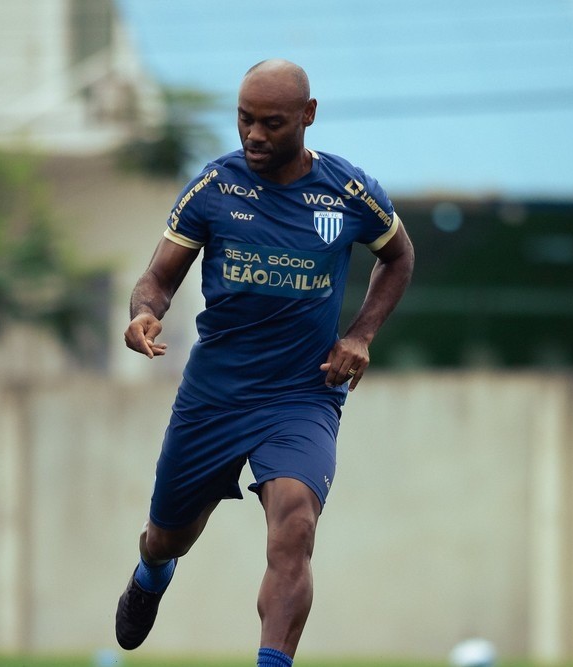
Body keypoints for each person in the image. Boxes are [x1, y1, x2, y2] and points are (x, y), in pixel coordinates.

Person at [115, 58, 414, 667]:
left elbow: (399, 257)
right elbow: (157, 278)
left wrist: (360, 334)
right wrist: (145, 313)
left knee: (295, 524)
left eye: (271, 122)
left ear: (307, 117)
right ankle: (153, 569)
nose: (254, 135)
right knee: (169, 533)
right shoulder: (215, 188)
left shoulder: (348, 192)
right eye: (244, 120)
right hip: (216, 393)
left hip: (303, 393)